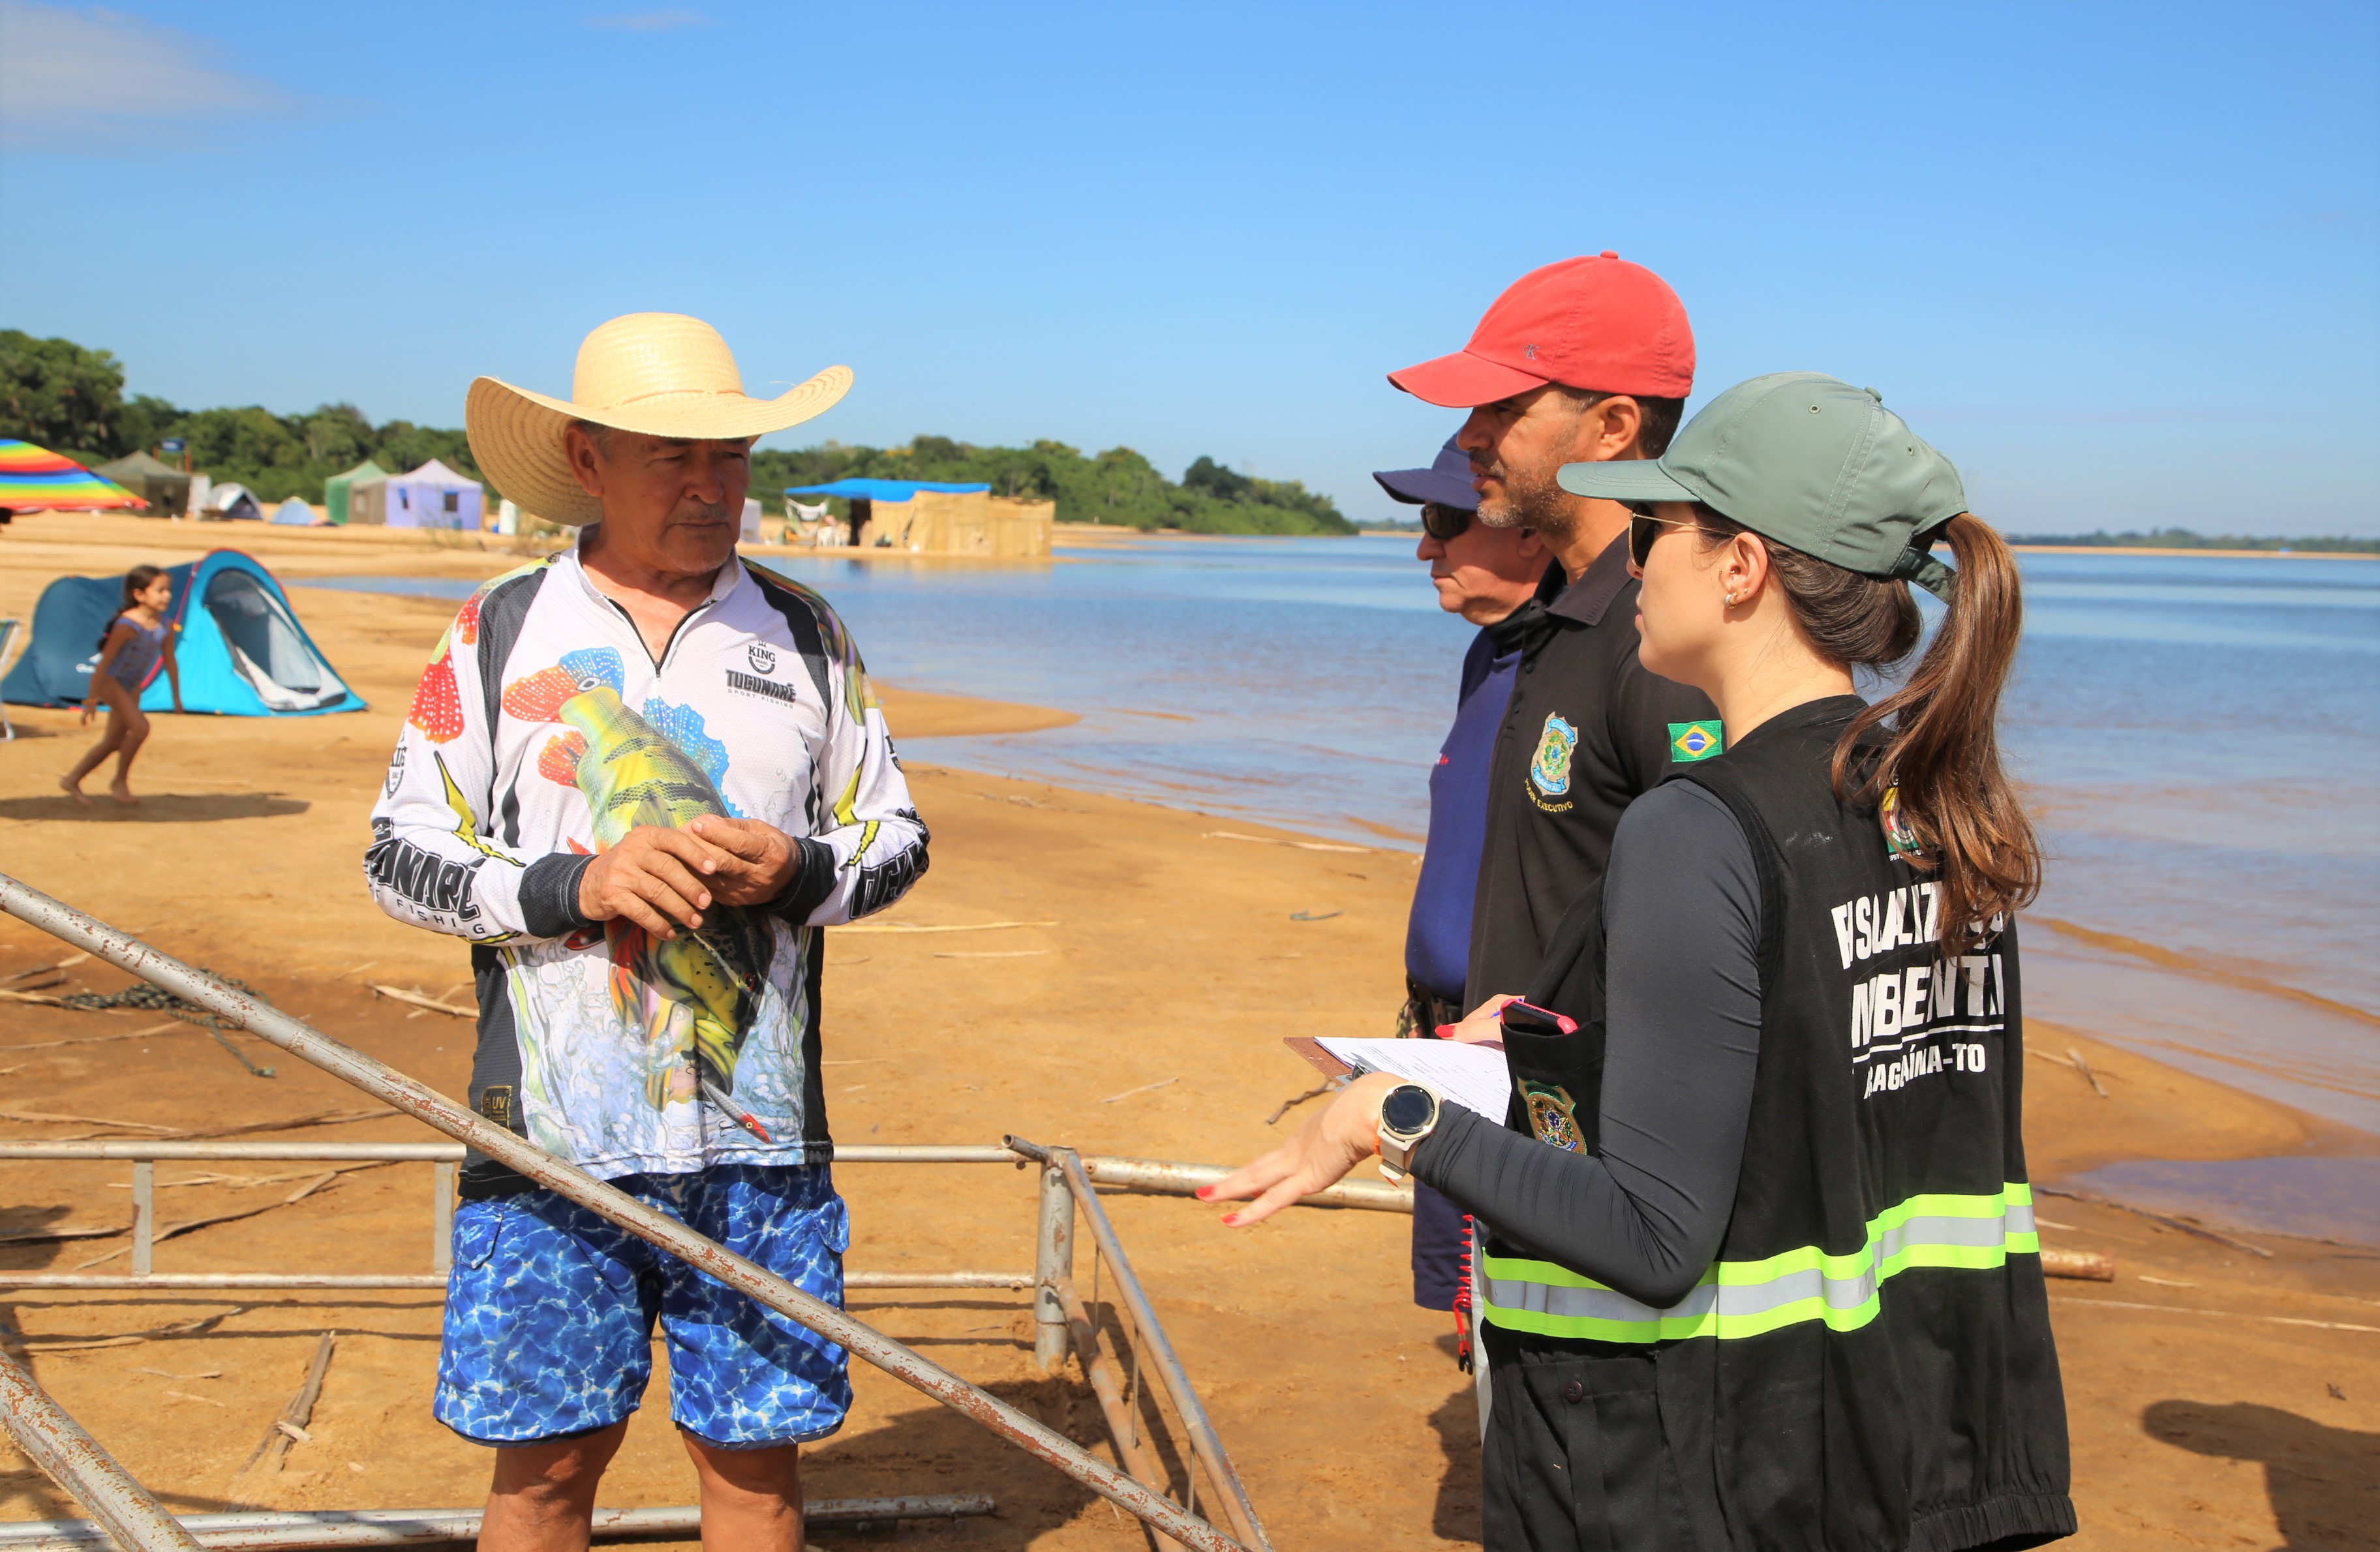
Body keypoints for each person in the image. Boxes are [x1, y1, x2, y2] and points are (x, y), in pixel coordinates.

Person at [1208, 374, 2073, 1551]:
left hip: (1713, 1469)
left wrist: (1391, 1114)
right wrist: (1562, 1037)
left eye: (1659, 529)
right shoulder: (1933, 804)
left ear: (1740, 567)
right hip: (1916, 1445)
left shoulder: (1696, 825)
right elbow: (1823, 1087)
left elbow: (1654, 1238)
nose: (1636, 564)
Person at [365, 313, 929, 1552]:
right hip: (549, 1145)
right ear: (585, 456)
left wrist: (793, 866)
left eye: (728, 456)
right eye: (670, 455)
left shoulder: (813, 637)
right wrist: (580, 884)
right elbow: (398, 857)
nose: (706, 484)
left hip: (761, 1138)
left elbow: (897, 843)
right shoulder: (496, 630)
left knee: (753, 1468)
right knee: (546, 1474)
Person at [1386, 253, 1720, 1029]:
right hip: (1510, 1098)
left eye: (1503, 409)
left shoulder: (1667, 634)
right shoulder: (1554, 617)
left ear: (1613, 427)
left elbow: (1710, 939)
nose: (1470, 437)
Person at [1374, 436, 1549, 1362]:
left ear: (1529, 533)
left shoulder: (1586, 668)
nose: (1424, 547)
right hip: (1449, 1047)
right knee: (1470, 1316)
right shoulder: (1491, 653)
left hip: (1518, 1065)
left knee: (1526, 1321)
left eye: (1444, 520)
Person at [61, 564, 181, 805]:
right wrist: (91, 701)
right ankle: (120, 781)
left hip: (132, 685)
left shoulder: (165, 625)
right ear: (139, 595)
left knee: (113, 741)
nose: (167, 595)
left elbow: (170, 660)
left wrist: (177, 696)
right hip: (111, 683)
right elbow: (103, 665)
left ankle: (72, 779)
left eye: (168, 590)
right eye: (160, 590)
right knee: (141, 728)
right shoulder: (127, 625)